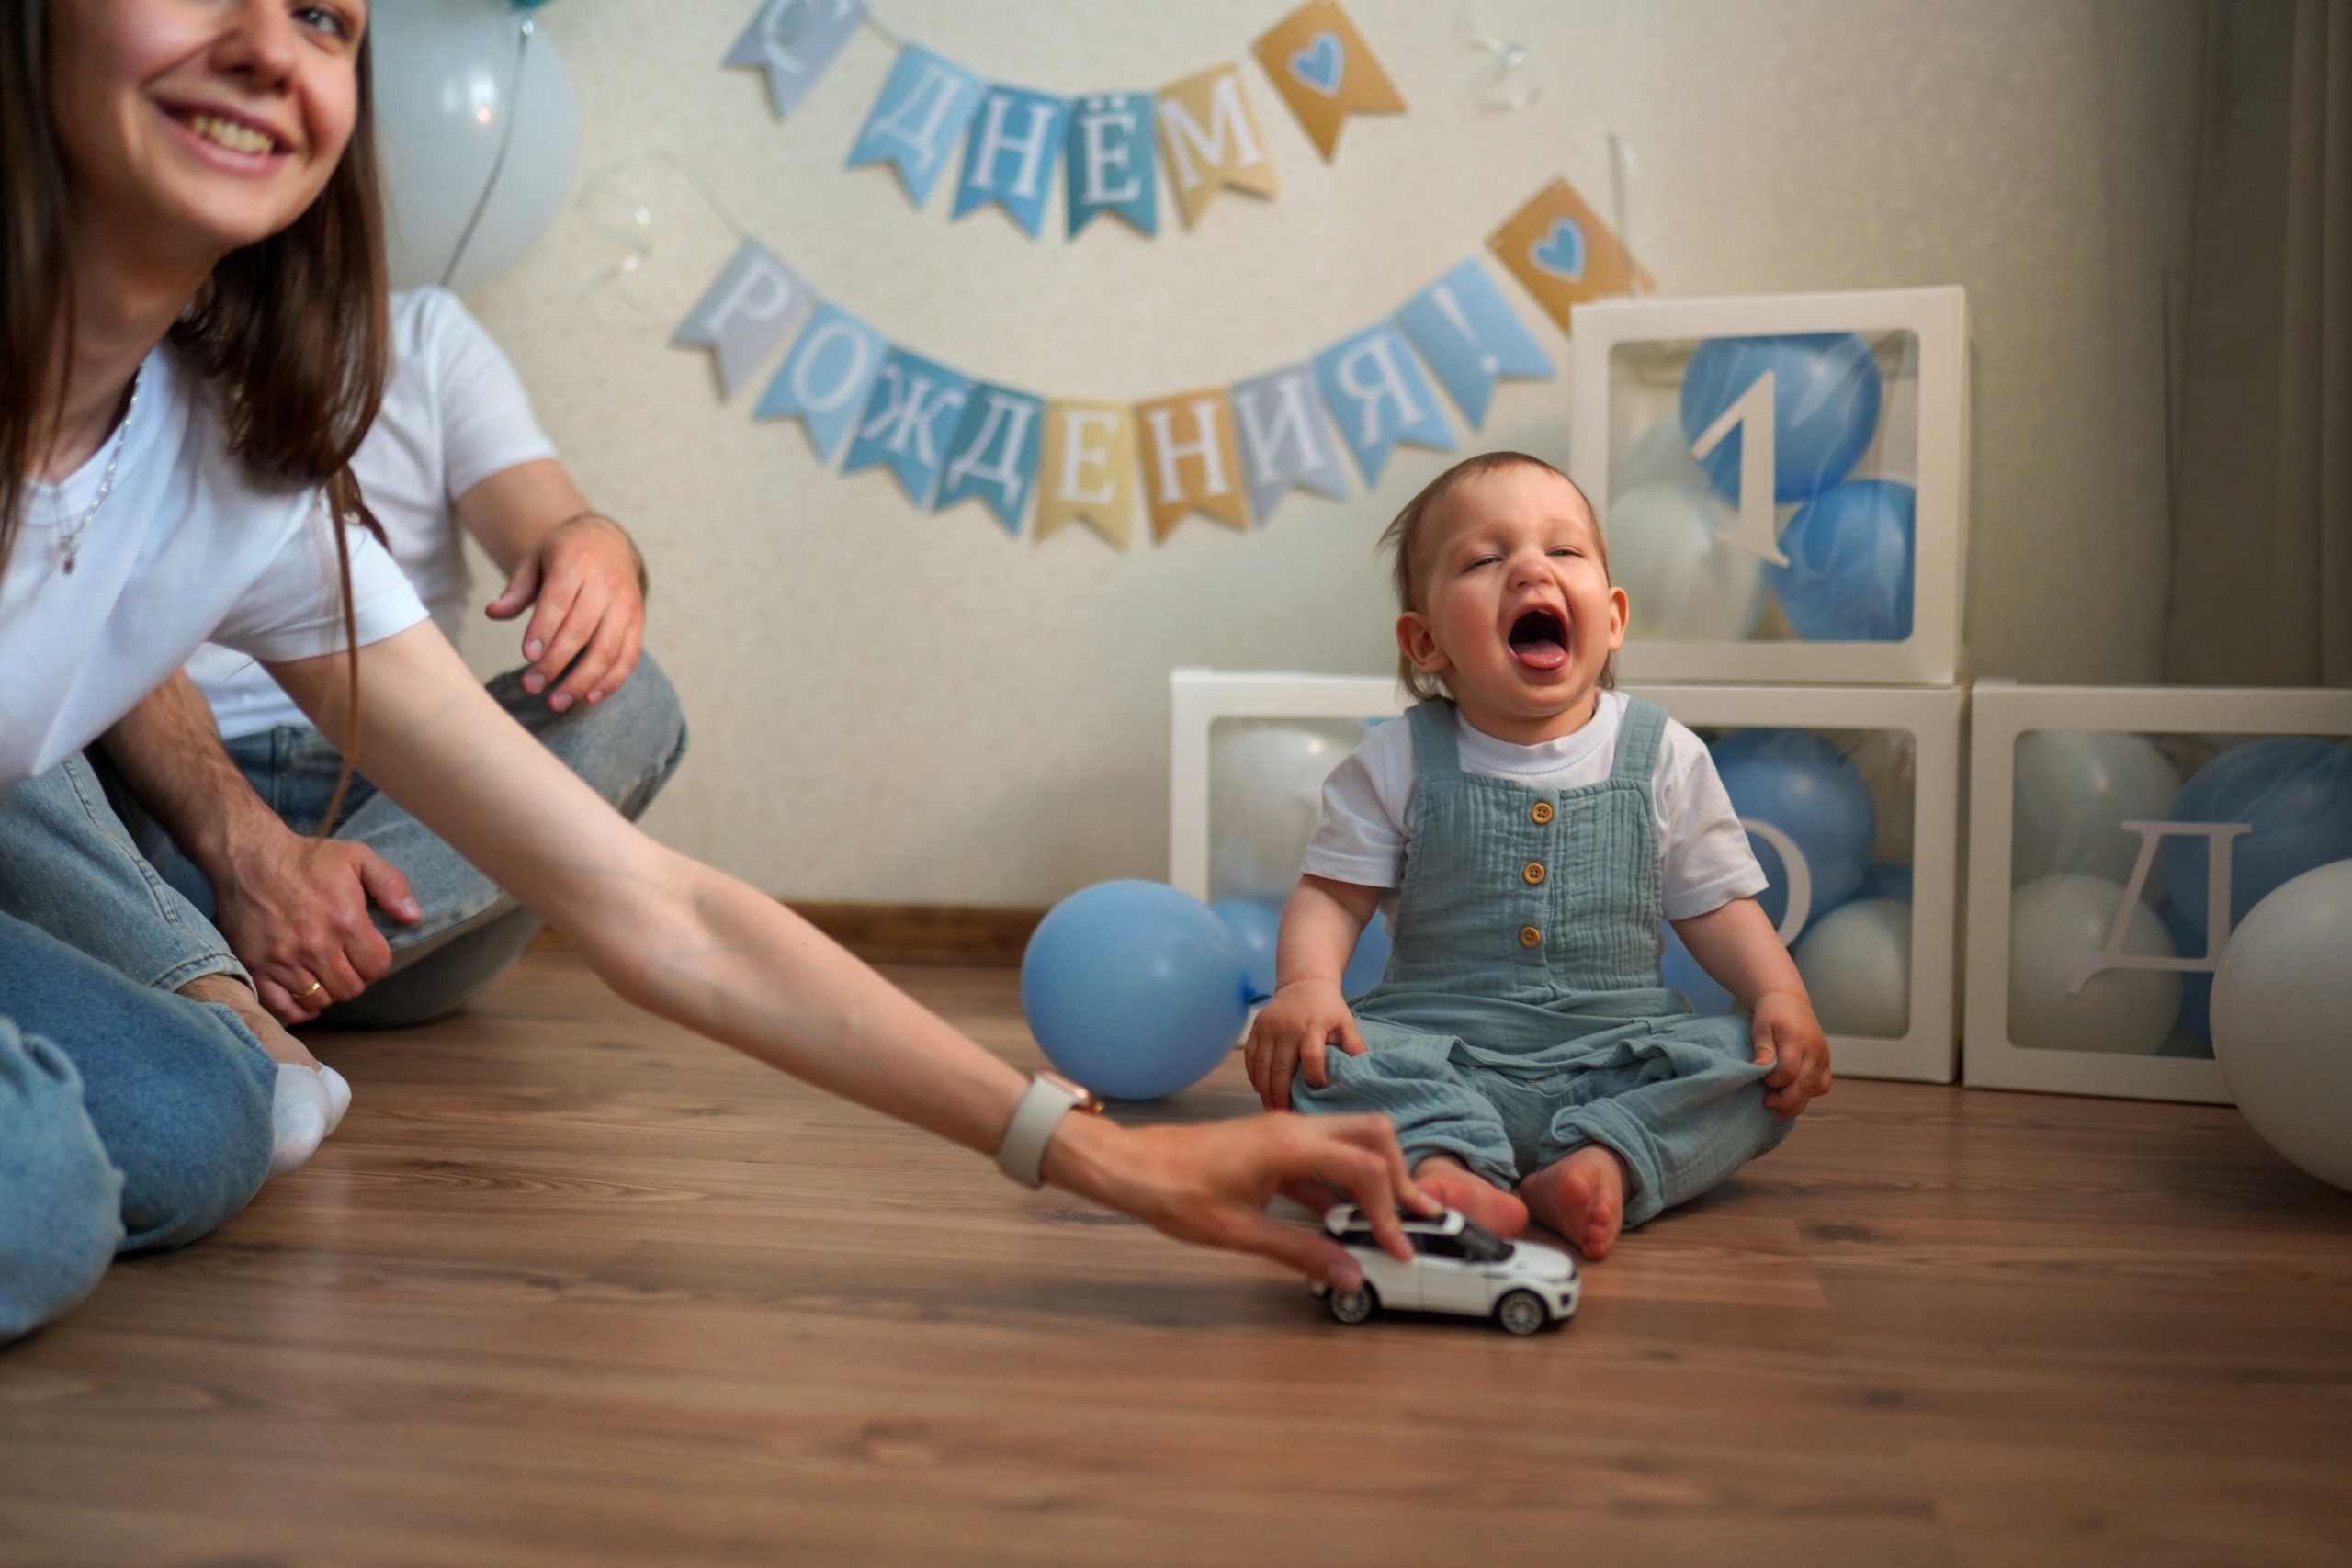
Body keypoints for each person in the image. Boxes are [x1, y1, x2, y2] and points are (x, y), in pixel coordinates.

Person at [0, 0, 1429, 1343]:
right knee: (41, 1199)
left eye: (326, 18)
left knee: (194, 1126)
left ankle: (207, 990)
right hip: (103, 826)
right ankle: (194, 962)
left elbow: (655, 907)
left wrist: (1110, 1160)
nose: (269, 49)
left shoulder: (240, 478)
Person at [1243, 452, 1832, 1259]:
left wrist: (1779, 993)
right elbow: (1331, 894)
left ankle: (1605, 1159)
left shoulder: (1664, 754)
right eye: (1485, 559)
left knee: (1755, 1069)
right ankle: (1444, 1161)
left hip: (1615, 1055)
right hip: (1438, 1046)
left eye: (1563, 552)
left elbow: (1718, 904)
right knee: (1319, 1068)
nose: (1529, 569)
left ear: (1614, 617)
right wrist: (1308, 987)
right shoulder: (1396, 760)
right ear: (1425, 640)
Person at [109, 281, 686, 1033]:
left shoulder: (426, 335)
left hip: (400, 834)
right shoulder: (103, 342)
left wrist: (599, 547)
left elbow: (560, 529)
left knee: (630, 697)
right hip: (169, 817)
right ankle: (225, 974)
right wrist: (243, 846)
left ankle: (226, 982)